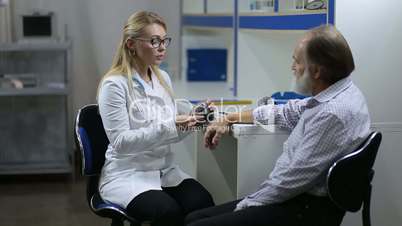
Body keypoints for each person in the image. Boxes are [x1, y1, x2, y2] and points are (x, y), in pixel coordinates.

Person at [186, 25, 371, 226]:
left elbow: (289, 181)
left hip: (305, 210)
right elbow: (283, 112)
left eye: (297, 61)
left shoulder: (332, 113)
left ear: (317, 71)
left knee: (196, 223)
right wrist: (228, 118)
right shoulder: (341, 93)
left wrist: (247, 205)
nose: (293, 67)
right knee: (193, 218)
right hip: (295, 199)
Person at [97, 11, 214, 226]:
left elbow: (171, 134)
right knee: (167, 212)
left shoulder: (162, 78)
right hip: (128, 174)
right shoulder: (114, 85)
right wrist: (170, 125)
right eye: (154, 41)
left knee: (203, 203)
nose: (162, 47)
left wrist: (193, 120)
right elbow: (121, 143)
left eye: (164, 40)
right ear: (131, 44)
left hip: (164, 171)